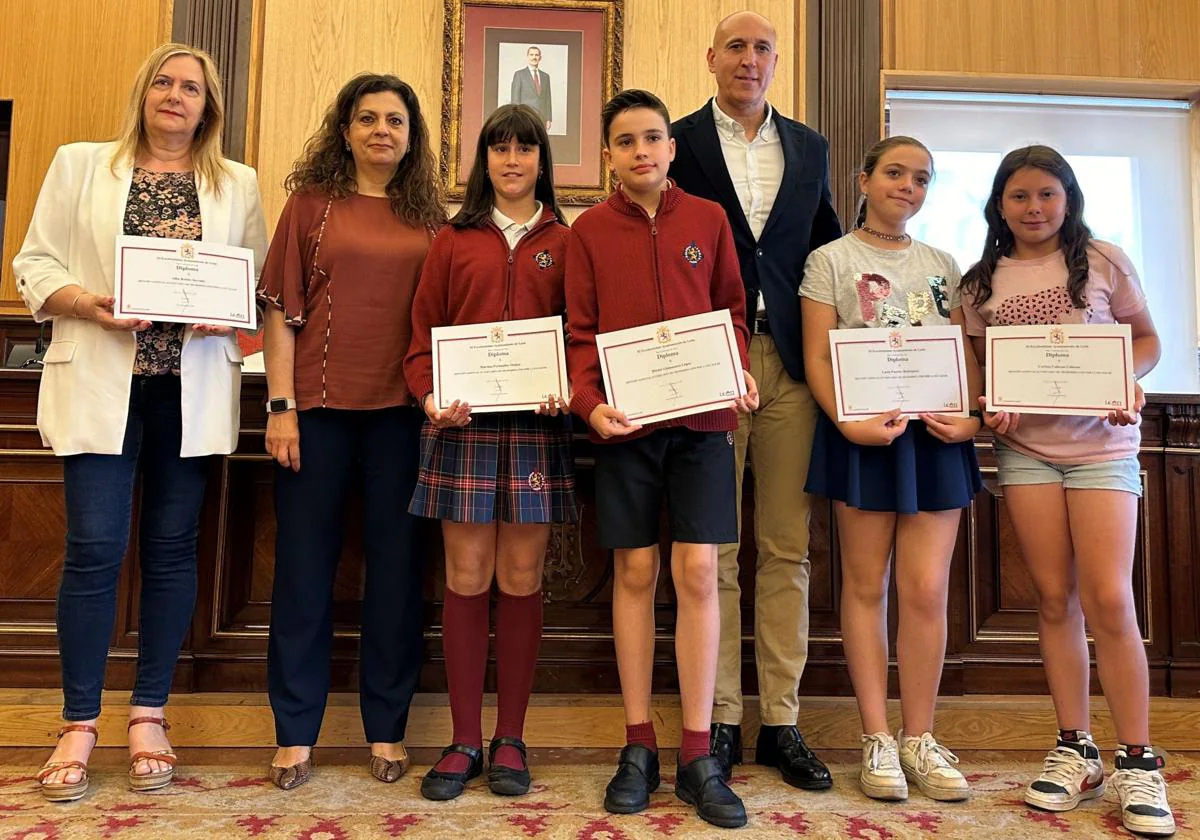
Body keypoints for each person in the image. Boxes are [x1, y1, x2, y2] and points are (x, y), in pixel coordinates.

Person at [12, 42, 267, 801]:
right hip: (101, 379)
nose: (176, 95)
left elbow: (252, 288)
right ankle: (79, 720)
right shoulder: (81, 163)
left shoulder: (237, 184)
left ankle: (150, 711)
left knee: (170, 549)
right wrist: (89, 305)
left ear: (208, 106)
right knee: (94, 548)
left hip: (185, 392)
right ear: (145, 92)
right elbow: (36, 263)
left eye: (192, 87)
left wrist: (228, 316)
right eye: (165, 81)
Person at [962, 145, 1175, 837]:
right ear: (1000, 204)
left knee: (1110, 597)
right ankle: (1075, 748)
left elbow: (1145, 339)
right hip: (1025, 455)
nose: (1034, 209)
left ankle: (1138, 760)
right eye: (1020, 196)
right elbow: (975, 368)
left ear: (1068, 199)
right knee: (1055, 599)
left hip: (1102, 451)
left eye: (1047, 195)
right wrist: (988, 402)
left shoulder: (1105, 260)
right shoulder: (979, 283)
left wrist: (1128, 381)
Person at [566, 88, 758, 829]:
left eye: (653, 137)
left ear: (673, 148)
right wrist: (590, 406)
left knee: (701, 570)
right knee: (636, 570)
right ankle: (638, 743)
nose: (642, 150)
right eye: (625, 140)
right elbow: (581, 332)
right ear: (608, 154)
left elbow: (733, 313)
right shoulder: (588, 232)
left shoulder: (707, 221)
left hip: (705, 423)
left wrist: (736, 369)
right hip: (626, 428)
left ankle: (698, 753)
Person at [667, 10, 841, 788]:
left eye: (762, 47)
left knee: (785, 548)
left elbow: (829, 248)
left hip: (792, 368)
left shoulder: (809, 147)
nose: (748, 58)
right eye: (735, 46)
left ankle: (782, 720)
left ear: (777, 61)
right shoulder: (673, 141)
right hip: (708, 365)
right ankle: (723, 718)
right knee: (716, 550)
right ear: (711, 59)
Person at [257, 73, 445, 791]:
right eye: (366, 119)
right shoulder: (310, 206)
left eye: (395, 120)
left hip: (404, 419)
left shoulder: (433, 216)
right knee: (304, 573)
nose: (380, 131)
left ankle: (387, 727)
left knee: (397, 578)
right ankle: (294, 733)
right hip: (317, 417)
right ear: (344, 130)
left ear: (411, 134)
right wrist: (281, 407)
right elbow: (279, 309)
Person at [800, 136, 982, 804]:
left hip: (935, 439)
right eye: (897, 174)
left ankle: (920, 736)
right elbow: (819, 356)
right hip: (864, 435)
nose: (909, 186)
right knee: (865, 585)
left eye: (923, 179)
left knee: (927, 589)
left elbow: (962, 354)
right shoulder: (830, 260)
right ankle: (875, 735)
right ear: (864, 178)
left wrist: (969, 417)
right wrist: (845, 422)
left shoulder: (944, 263)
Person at [403, 103, 575, 801]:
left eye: (525, 149)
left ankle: (512, 736)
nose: (511, 161)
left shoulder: (568, 240)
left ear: (542, 161)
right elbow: (421, 341)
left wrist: (570, 388)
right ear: (484, 160)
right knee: (468, 577)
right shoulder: (453, 238)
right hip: (463, 428)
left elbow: (582, 335)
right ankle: (465, 737)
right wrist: (429, 398)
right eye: (499, 149)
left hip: (537, 427)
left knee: (522, 577)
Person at [509, 46, 552, 129]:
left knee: (539, 141)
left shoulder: (545, 76)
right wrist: (516, 118)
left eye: (536, 55)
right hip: (525, 117)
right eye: (531, 55)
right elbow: (515, 99)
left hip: (541, 118)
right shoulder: (519, 75)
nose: (534, 57)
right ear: (527, 57)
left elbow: (548, 99)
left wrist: (548, 119)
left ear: (540, 57)